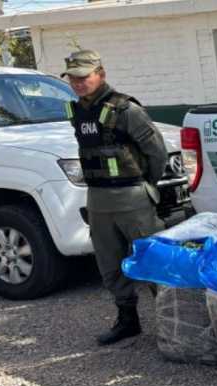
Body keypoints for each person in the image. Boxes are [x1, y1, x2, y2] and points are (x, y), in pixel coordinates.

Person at [62, 50, 168, 345]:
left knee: (151, 262)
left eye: (84, 76)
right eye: (73, 77)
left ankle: (174, 324)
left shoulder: (125, 109)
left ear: (101, 74)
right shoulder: (79, 111)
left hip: (131, 197)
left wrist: (145, 185)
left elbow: (156, 152)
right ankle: (128, 320)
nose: (79, 83)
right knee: (109, 264)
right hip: (98, 198)